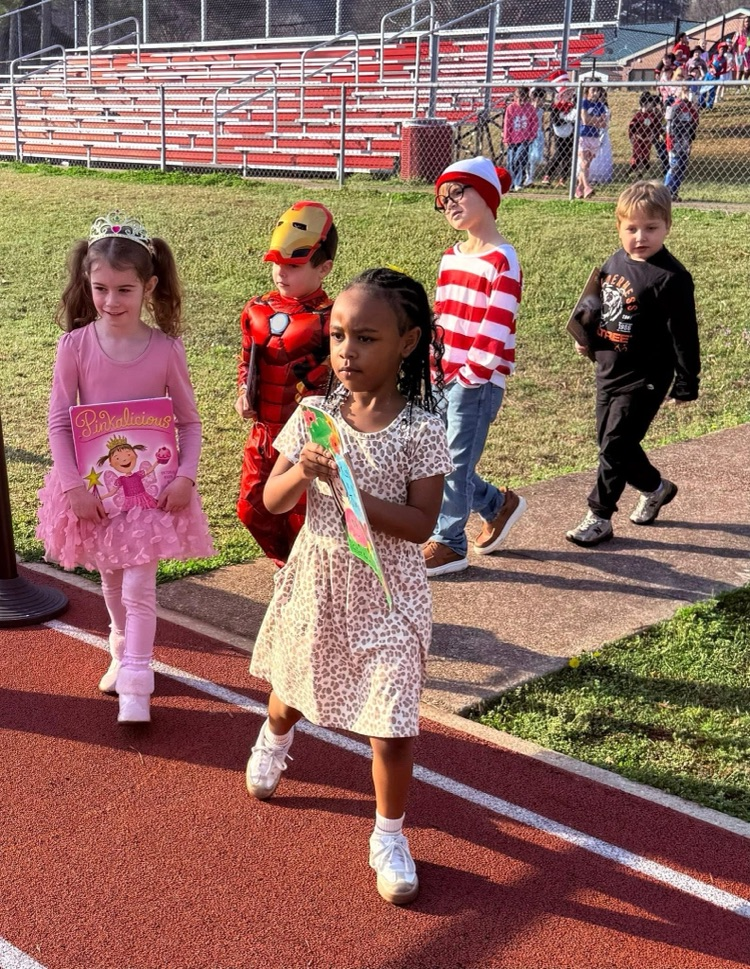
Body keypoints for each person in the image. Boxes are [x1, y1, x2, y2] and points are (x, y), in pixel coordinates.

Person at [244, 267, 452, 906]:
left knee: (392, 723)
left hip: (388, 594)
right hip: (319, 580)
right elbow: (272, 500)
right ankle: (274, 738)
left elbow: (421, 523)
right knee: (293, 691)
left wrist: (354, 491)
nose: (346, 352)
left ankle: (389, 834)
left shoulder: (420, 429)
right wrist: (304, 471)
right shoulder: (314, 417)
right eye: (338, 336)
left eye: (366, 338)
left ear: (407, 342)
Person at [36, 211, 215, 722]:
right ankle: (120, 649)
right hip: (94, 493)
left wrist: (185, 476)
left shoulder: (164, 350)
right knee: (112, 582)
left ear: (149, 286)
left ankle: (138, 677)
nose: (111, 301)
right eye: (100, 289)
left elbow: (189, 422)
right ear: (87, 284)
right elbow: (59, 423)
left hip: (150, 493)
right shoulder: (73, 347)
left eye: (125, 289)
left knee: (139, 584)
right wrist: (74, 486)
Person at [565, 182, 700, 547]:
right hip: (608, 370)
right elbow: (601, 307)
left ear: (667, 226)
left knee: (614, 447)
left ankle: (599, 517)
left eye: (651, 228)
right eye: (632, 228)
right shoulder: (614, 261)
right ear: (619, 228)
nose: (641, 236)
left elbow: (684, 336)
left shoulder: (671, 279)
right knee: (613, 445)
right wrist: (588, 339)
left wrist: (687, 383)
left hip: (646, 378)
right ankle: (656, 488)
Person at [423, 156, 527, 577]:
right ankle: (498, 504)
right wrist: (432, 364)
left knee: (452, 461)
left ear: (486, 195)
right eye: (442, 199)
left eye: (458, 192)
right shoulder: (451, 257)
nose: (449, 203)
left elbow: (497, 325)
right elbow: (440, 318)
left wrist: (470, 375)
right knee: (445, 458)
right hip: (443, 374)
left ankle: (450, 542)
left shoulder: (503, 259)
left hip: (477, 380)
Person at [235, 201, 337, 567]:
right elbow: (247, 361)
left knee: (303, 515)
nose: (281, 272)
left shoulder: (333, 318)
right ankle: (288, 564)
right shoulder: (257, 309)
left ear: (324, 268)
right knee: (251, 508)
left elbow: (341, 377)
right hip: (263, 431)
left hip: (305, 437)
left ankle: (300, 572)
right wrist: (242, 393)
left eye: (293, 265)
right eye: (277, 264)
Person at [664, 88, 699, 201]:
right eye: (687, 92)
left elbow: (695, 121)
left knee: (682, 167)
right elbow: (670, 127)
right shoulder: (676, 106)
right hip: (675, 142)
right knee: (675, 166)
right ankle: (666, 192)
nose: (690, 95)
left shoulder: (690, 108)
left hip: (685, 141)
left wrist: (694, 107)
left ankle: (674, 192)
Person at [542, 74, 576, 187]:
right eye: (566, 93)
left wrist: (570, 118)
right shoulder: (556, 107)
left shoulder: (573, 105)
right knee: (559, 154)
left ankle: (563, 178)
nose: (569, 95)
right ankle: (548, 175)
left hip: (570, 132)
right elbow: (555, 121)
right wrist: (566, 118)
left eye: (570, 93)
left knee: (568, 156)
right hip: (559, 133)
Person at [502, 86, 538, 191]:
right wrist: (506, 138)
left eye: (524, 99)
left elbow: (534, 122)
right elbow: (507, 124)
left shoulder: (530, 108)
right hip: (512, 139)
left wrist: (532, 135)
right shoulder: (511, 108)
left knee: (520, 159)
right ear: (514, 97)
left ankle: (518, 182)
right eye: (519, 98)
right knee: (511, 161)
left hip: (525, 138)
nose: (521, 101)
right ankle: (511, 183)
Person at [575, 85, 608, 199]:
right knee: (583, 162)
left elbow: (603, 123)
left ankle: (578, 188)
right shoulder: (584, 103)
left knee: (587, 165)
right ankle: (587, 187)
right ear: (587, 91)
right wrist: (596, 120)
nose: (595, 93)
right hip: (583, 136)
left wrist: (592, 120)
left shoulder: (600, 106)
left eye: (597, 90)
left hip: (594, 137)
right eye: (593, 90)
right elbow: (585, 119)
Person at [628, 92, 660, 174]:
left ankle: (645, 170)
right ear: (644, 104)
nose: (652, 106)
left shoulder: (653, 115)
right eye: (650, 104)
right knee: (636, 153)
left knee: (646, 154)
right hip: (638, 138)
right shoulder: (639, 115)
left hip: (647, 139)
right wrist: (631, 135)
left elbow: (656, 126)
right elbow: (631, 126)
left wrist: (656, 136)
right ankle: (633, 168)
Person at [525, 87, 547, 186]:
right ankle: (528, 178)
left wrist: (542, 135)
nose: (541, 101)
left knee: (536, 157)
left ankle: (531, 176)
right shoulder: (528, 109)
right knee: (529, 157)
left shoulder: (541, 111)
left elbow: (541, 124)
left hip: (538, 134)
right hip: (529, 134)